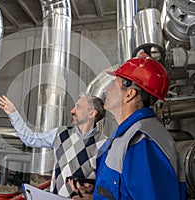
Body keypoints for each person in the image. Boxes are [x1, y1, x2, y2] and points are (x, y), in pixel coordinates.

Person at [69, 56, 186, 200]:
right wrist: (98, 194)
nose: (107, 89)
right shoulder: (127, 135)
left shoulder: (141, 141)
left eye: (114, 83)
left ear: (130, 94)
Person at [0, 94, 106, 198]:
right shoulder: (61, 133)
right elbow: (30, 138)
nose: (72, 111)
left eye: (78, 107)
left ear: (92, 114)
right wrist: (13, 113)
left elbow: (107, 182)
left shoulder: (104, 143)